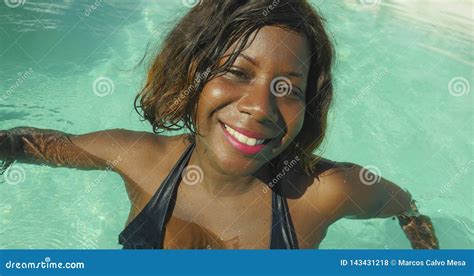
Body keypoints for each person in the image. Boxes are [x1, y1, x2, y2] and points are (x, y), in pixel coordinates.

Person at [0, 0, 439, 249]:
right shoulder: (138, 159)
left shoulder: (324, 193)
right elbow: (27, 144)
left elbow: (406, 206)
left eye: (289, 88)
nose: (260, 107)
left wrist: (423, 252)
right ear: (191, 75)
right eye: (238, 72)